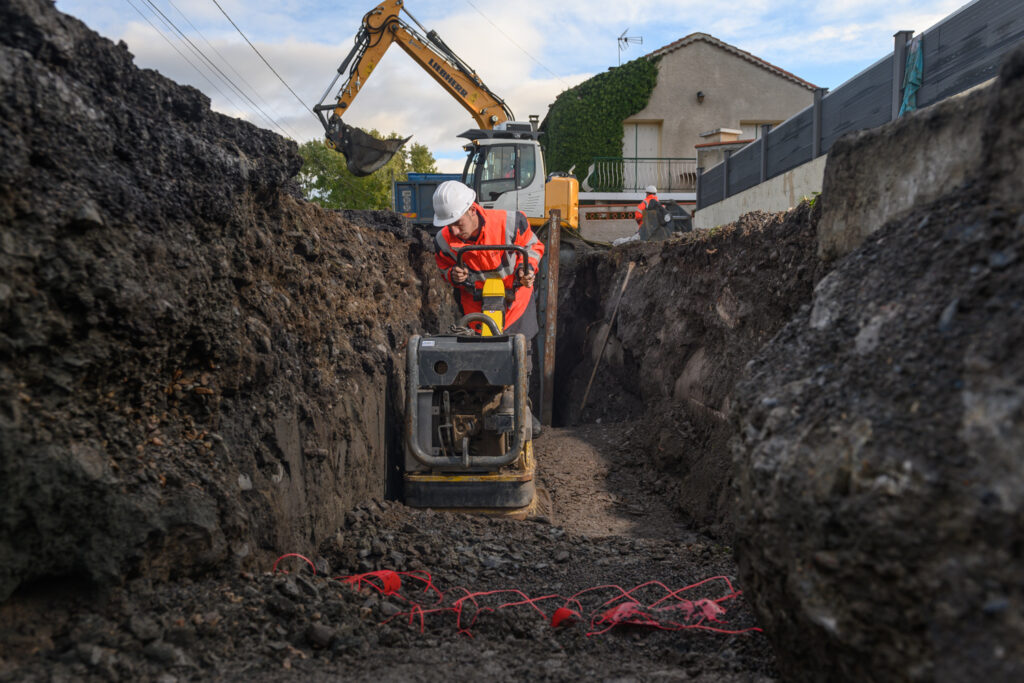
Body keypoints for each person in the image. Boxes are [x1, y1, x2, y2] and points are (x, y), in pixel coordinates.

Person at [432, 180, 544, 432]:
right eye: (449, 225)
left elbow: (533, 246)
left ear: (472, 209)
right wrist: (453, 275)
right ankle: (482, 407)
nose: (455, 230)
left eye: (458, 223)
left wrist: (527, 268)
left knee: (520, 354)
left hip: (515, 300)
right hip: (476, 306)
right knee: (479, 355)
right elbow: (443, 267)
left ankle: (521, 406)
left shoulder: (510, 222)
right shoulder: (443, 240)